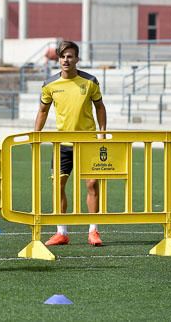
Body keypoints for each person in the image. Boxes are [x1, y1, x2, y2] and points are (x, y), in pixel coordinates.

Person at [34, 40, 107, 247]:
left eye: (70, 56)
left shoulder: (90, 81)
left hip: (88, 143)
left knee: (92, 185)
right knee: (58, 185)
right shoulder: (49, 84)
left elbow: (100, 108)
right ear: (59, 59)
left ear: (77, 59)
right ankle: (61, 233)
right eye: (63, 56)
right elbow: (43, 111)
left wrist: (102, 134)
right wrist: (36, 135)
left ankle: (93, 231)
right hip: (62, 145)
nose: (66, 60)